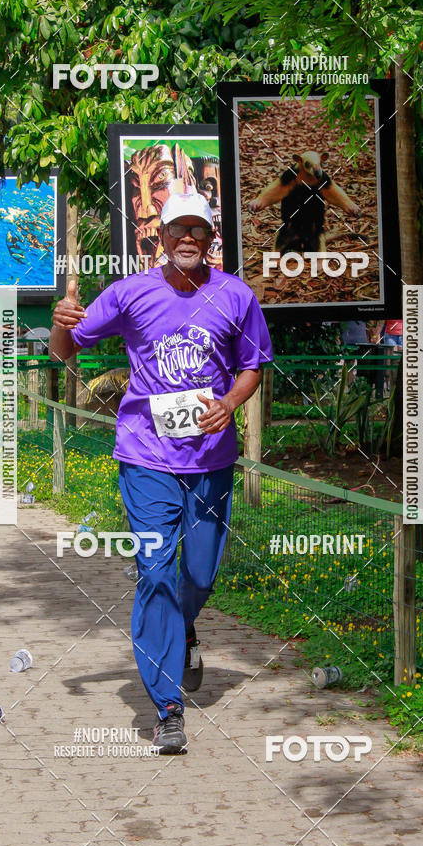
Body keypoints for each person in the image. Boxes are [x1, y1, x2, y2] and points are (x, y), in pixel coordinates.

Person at [49, 191, 273, 755]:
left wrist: (230, 401)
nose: (189, 238)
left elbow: (253, 367)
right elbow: (64, 350)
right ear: (162, 238)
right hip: (145, 456)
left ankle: (186, 625)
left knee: (197, 574)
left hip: (212, 461)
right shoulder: (130, 293)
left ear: (210, 238)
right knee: (154, 572)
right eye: (179, 229)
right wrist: (60, 323)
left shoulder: (234, 296)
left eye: (199, 229)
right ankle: (167, 707)